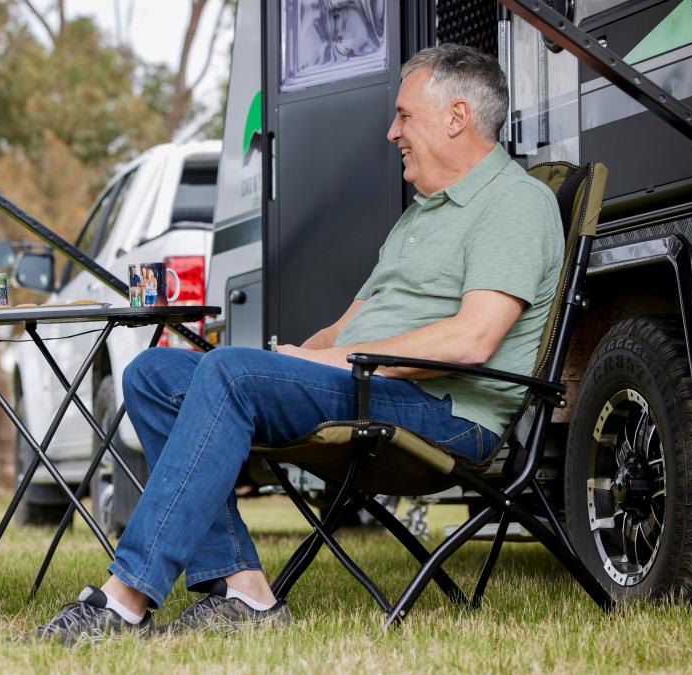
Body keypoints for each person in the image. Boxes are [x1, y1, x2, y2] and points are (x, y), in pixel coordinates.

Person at [35, 44, 563, 643]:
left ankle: (124, 600)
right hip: (365, 386)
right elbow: (342, 331)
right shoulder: (421, 216)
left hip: (444, 412)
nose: (392, 133)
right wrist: (286, 361)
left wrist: (316, 363)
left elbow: (474, 340)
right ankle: (244, 592)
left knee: (229, 374)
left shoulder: (516, 203)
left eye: (404, 115)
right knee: (154, 373)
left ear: (457, 116)